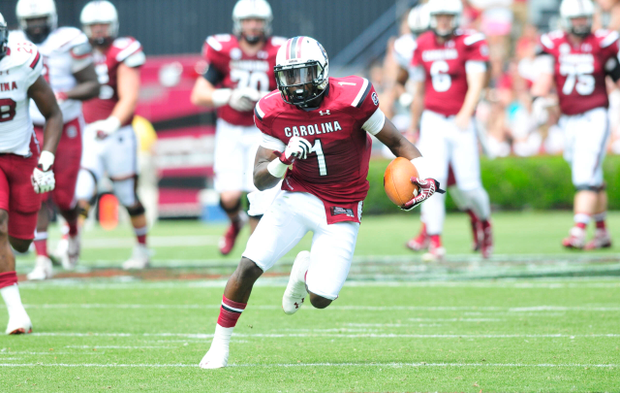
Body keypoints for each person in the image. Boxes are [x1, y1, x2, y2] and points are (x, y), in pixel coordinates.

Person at [198, 36, 443, 369]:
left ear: (323, 71)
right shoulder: (272, 111)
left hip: (343, 206)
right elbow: (258, 178)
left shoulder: (353, 98)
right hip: (297, 196)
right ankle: (219, 346)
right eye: (289, 76)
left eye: (305, 74)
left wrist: (426, 174)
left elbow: (397, 140)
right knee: (248, 266)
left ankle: (304, 272)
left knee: (322, 298)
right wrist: (283, 159)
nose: (297, 86)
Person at [12, 0, 100, 280]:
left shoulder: (70, 41)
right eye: (31, 20)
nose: (36, 25)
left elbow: (93, 84)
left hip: (65, 123)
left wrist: (66, 95)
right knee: (38, 192)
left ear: (52, 18)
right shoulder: (12, 43)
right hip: (28, 128)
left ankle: (72, 231)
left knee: (64, 199)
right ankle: (42, 259)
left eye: (41, 19)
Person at [190, 0, 286, 255]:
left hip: (262, 131)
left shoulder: (278, 52)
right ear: (238, 23)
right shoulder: (223, 50)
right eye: (248, 21)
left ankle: (255, 256)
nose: (253, 26)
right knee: (229, 197)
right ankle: (235, 223)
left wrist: (262, 98)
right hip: (230, 129)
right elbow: (198, 94)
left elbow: (288, 93)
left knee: (260, 195)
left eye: (257, 21)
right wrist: (227, 96)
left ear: (266, 24)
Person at [408, 0, 493, 262]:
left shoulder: (469, 41)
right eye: (439, 16)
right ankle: (435, 242)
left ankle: (485, 223)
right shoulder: (422, 43)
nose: (443, 21)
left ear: (456, 17)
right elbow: (419, 90)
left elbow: (476, 83)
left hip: (460, 119)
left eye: (448, 16)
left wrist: (466, 113)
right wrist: (413, 125)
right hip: (433, 119)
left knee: (469, 186)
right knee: (432, 182)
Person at [531, 0, 619, 249]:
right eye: (576, 19)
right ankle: (602, 232)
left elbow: (617, 77)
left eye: (584, 18)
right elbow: (545, 77)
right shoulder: (554, 44)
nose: (581, 23)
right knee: (592, 175)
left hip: (595, 116)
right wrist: (538, 98)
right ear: (566, 20)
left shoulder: (602, 44)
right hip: (568, 119)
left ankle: (578, 229)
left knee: (585, 176)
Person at [72, 0, 150, 269]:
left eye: (103, 25)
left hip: (117, 134)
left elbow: (129, 96)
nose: (98, 31)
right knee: (81, 190)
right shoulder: (76, 52)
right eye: (94, 26)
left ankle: (142, 249)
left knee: (127, 196)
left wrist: (112, 123)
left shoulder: (123, 50)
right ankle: (71, 242)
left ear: (113, 25)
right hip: (87, 132)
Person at [0, 11, 63, 334]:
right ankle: (17, 312)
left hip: (24, 155)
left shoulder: (23, 62)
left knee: (20, 242)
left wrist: (47, 158)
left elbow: (53, 113)